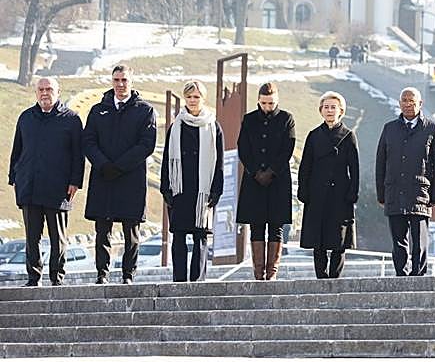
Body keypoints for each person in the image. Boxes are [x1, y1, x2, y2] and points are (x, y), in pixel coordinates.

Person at [82, 65, 157, 284]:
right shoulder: (98, 110)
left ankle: (128, 275)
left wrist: (120, 166)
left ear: (131, 81)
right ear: (112, 81)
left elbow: (146, 144)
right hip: (103, 177)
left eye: (124, 80)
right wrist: (104, 165)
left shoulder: (145, 110)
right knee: (102, 230)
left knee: (131, 231)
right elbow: (88, 141)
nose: (120, 84)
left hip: (131, 179)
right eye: (116, 80)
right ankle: (102, 274)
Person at [9, 76, 83, 287]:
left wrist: (75, 181)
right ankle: (33, 277)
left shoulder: (71, 119)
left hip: (58, 188)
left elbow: (78, 155)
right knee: (32, 237)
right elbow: (17, 150)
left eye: (49, 89)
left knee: (57, 237)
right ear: (36, 93)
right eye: (41, 89)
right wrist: (14, 178)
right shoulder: (26, 117)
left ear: (58, 92)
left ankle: (56, 278)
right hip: (29, 186)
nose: (44, 93)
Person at [160, 80, 224, 283]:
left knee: (201, 236)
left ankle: (198, 281)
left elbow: (219, 162)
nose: (192, 100)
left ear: (203, 99)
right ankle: (178, 280)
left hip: (203, 190)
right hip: (180, 188)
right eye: (189, 97)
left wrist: (216, 190)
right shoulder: (176, 126)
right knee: (178, 236)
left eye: (196, 97)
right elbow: (166, 159)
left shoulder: (213, 126)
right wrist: (166, 188)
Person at [376, 87, 435, 276]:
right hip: (394, 192)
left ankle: (418, 277)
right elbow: (381, 163)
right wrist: (381, 194)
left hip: (420, 194)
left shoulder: (432, 128)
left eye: (412, 101)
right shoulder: (389, 129)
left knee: (420, 242)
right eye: (404, 100)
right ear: (399, 103)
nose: (408, 104)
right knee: (398, 243)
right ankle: (401, 277)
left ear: (420, 104)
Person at [236, 82, 296, 280]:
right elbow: (243, 147)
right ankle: (258, 272)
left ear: (277, 101)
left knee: (276, 226)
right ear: (258, 101)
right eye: (264, 103)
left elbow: (287, 148)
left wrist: (271, 171)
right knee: (256, 225)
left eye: (271, 103)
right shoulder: (249, 119)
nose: (267, 107)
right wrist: (255, 172)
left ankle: (272, 273)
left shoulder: (286, 119)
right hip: (254, 180)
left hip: (278, 180)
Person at [298, 91, 359, 279]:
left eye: (333, 107)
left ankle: (335, 277)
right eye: (326, 107)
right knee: (318, 239)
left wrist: (352, 193)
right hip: (317, 193)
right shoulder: (314, 136)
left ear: (341, 111)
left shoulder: (348, 136)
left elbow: (354, 168)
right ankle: (321, 277)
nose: (330, 110)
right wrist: (303, 189)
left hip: (340, 194)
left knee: (339, 239)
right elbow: (305, 166)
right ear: (321, 110)